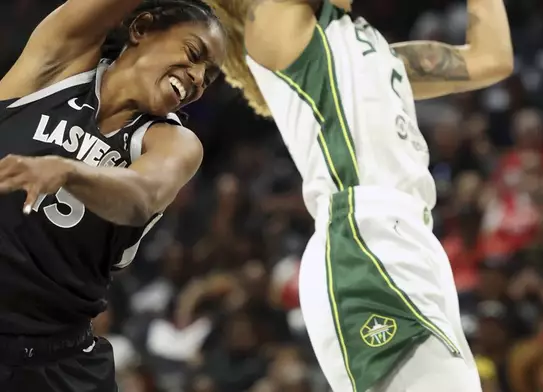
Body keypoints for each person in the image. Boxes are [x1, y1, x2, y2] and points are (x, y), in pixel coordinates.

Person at [210, 0, 512, 391]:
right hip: (362, 233)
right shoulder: (278, 19)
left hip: (410, 236)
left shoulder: (373, 50)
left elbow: (492, 59)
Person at [0, 0, 225, 391]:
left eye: (209, 76)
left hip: (53, 364)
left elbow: (140, 197)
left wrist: (70, 170)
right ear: (142, 28)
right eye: (194, 54)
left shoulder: (175, 142)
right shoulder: (56, 68)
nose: (198, 78)